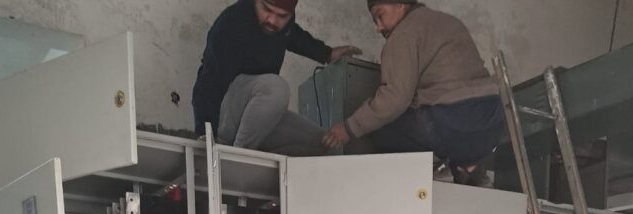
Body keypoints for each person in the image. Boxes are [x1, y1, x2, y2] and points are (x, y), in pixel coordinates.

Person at [323, 1, 502, 186]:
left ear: (400, 4)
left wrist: (349, 127)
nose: (378, 27)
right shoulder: (448, 21)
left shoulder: (403, 33)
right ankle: (468, 168)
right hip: (491, 126)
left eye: (380, 15)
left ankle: (431, 172)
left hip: (451, 122)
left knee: (382, 127)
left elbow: (394, 98)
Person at [193, 0, 361, 155]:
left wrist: (328, 53)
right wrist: (205, 134)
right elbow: (208, 81)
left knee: (322, 142)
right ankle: (238, 158)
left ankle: (259, 161)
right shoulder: (231, 23)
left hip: (255, 117)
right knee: (276, 89)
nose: (272, 21)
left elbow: (295, 36)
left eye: (282, 16)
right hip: (226, 114)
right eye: (267, 9)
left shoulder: (284, 27)